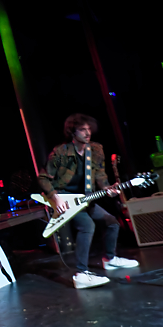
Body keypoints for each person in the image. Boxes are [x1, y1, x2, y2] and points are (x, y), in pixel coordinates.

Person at [37, 113, 139, 289]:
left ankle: (110, 259)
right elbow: (43, 177)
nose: (87, 133)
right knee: (87, 227)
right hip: (65, 200)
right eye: (82, 130)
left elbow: (100, 174)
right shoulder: (61, 152)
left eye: (89, 129)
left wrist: (108, 188)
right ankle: (81, 273)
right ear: (72, 132)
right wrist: (55, 196)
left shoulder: (96, 150)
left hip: (86, 199)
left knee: (111, 223)